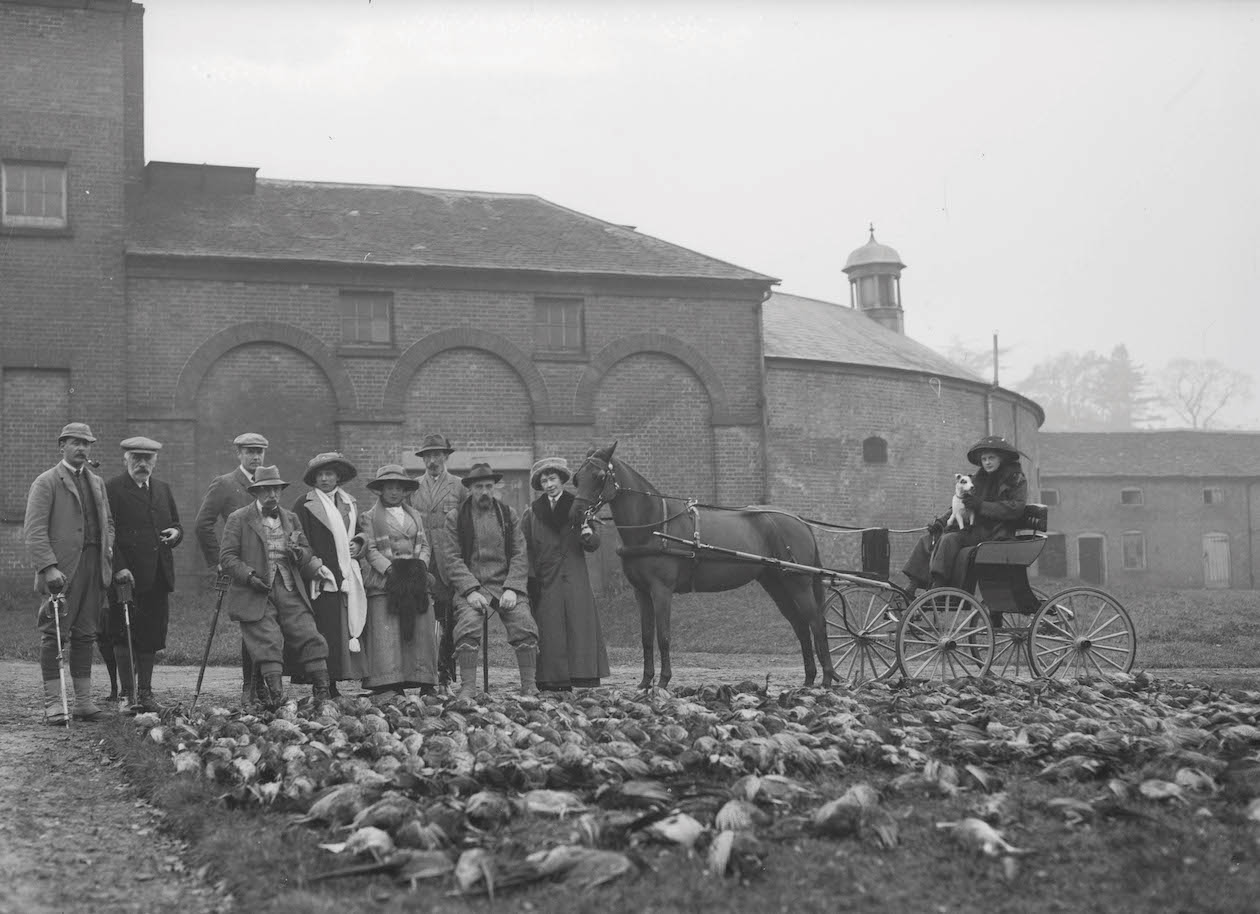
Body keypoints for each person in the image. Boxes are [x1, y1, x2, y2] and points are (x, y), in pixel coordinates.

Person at [219, 465, 337, 709]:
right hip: (256, 591)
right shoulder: (239, 518)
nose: (272, 494)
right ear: (256, 492)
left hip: (289, 587)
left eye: (276, 489)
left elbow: (307, 550)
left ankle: (322, 694)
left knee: (309, 633)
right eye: (266, 490)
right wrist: (250, 577)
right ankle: (276, 698)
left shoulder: (290, 518)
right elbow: (228, 557)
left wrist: (299, 554)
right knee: (268, 640)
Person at [24, 423, 116, 724]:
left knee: (86, 634)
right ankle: (54, 704)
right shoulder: (46, 482)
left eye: (86, 444)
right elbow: (35, 530)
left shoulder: (97, 482)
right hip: (62, 571)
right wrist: (48, 567)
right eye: (75, 442)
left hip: (93, 567)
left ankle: (83, 703)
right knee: (55, 634)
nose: (82, 449)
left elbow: (109, 524)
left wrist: (107, 551)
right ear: (61, 445)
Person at [439, 462, 539, 698]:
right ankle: (468, 687)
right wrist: (470, 590)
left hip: (504, 585)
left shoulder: (508, 514)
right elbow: (451, 558)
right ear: (470, 489)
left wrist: (513, 588)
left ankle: (529, 685)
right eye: (478, 487)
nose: (484, 492)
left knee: (523, 620)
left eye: (488, 486)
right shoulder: (456, 517)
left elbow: (519, 553)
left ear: (494, 487)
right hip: (472, 587)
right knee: (468, 624)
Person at [103, 436, 183, 712]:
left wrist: (176, 533)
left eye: (147, 459)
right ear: (126, 459)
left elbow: (175, 524)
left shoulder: (162, 489)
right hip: (126, 575)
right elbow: (108, 533)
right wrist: (119, 567)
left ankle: (146, 694)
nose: (142, 464)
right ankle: (127, 695)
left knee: (151, 634)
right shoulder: (112, 489)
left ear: (155, 461)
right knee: (122, 633)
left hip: (158, 575)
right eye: (136, 458)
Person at [902, 435, 1029, 597]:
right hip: (973, 528)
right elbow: (959, 503)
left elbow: (1016, 508)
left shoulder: (1015, 479)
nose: (987, 462)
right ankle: (912, 586)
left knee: (949, 539)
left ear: (1001, 459)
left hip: (996, 532)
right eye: (984, 459)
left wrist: (981, 506)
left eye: (992, 458)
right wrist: (940, 523)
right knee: (928, 539)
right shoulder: (977, 479)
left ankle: (938, 587)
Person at [193, 432, 269, 705]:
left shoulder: (268, 483)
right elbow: (203, 524)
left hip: (267, 566)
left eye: (259, 451)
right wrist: (219, 562)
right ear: (238, 453)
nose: (255, 456)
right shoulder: (225, 484)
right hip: (239, 566)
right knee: (250, 622)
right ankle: (249, 686)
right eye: (249, 451)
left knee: (266, 623)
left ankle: (263, 686)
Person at [523, 457, 609, 691]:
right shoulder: (532, 513)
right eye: (544, 481)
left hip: (575, 577)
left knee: (578, 625)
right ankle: (552, 679)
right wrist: (531, 581)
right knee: (550, 629)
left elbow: (594, 543)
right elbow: (525, 549)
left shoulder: (579, 506)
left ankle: (583, 676)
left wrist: (589, 534)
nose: (549, 484)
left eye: (552, 479)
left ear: (561, 480)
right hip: (546, 580)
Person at [357, 465, 437, 701]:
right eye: (389, 487)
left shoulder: (415, 516)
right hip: (386, 579)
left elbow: (424, 545)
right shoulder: (369, 517)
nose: (394, 492)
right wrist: (391, 570)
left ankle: (423, 678)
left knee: (421, 628)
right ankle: (388, 681)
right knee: (387, 628)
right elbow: (370, 550)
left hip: (414, 578)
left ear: (405, 491)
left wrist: (420, 566)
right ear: (380, 490)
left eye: (398, 488)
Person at [292, 452, 368, 698]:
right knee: (322, 629)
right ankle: (322, 682)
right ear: (314, 478)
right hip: (321, 576)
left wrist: (359, 542)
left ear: (338, 476)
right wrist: (314, 566)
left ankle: (338, 676)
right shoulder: (304, 504)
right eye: (320, 474)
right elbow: (297, 540)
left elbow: (360, 531)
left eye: (330, 474)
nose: (325, 479)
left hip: (346, 574)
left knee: (342, 628)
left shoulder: (350, 503)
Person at [410, 433, 468, 690]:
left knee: (447, 619)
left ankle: (444, 674)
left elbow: (467, 526)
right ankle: (424, 676)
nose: (432, 460)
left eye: (437, 455)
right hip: (421, 562)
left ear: (446, 456)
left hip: (448, 562)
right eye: (428, 456)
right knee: (423, 619)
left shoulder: (459, 486)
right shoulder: (412, 487)